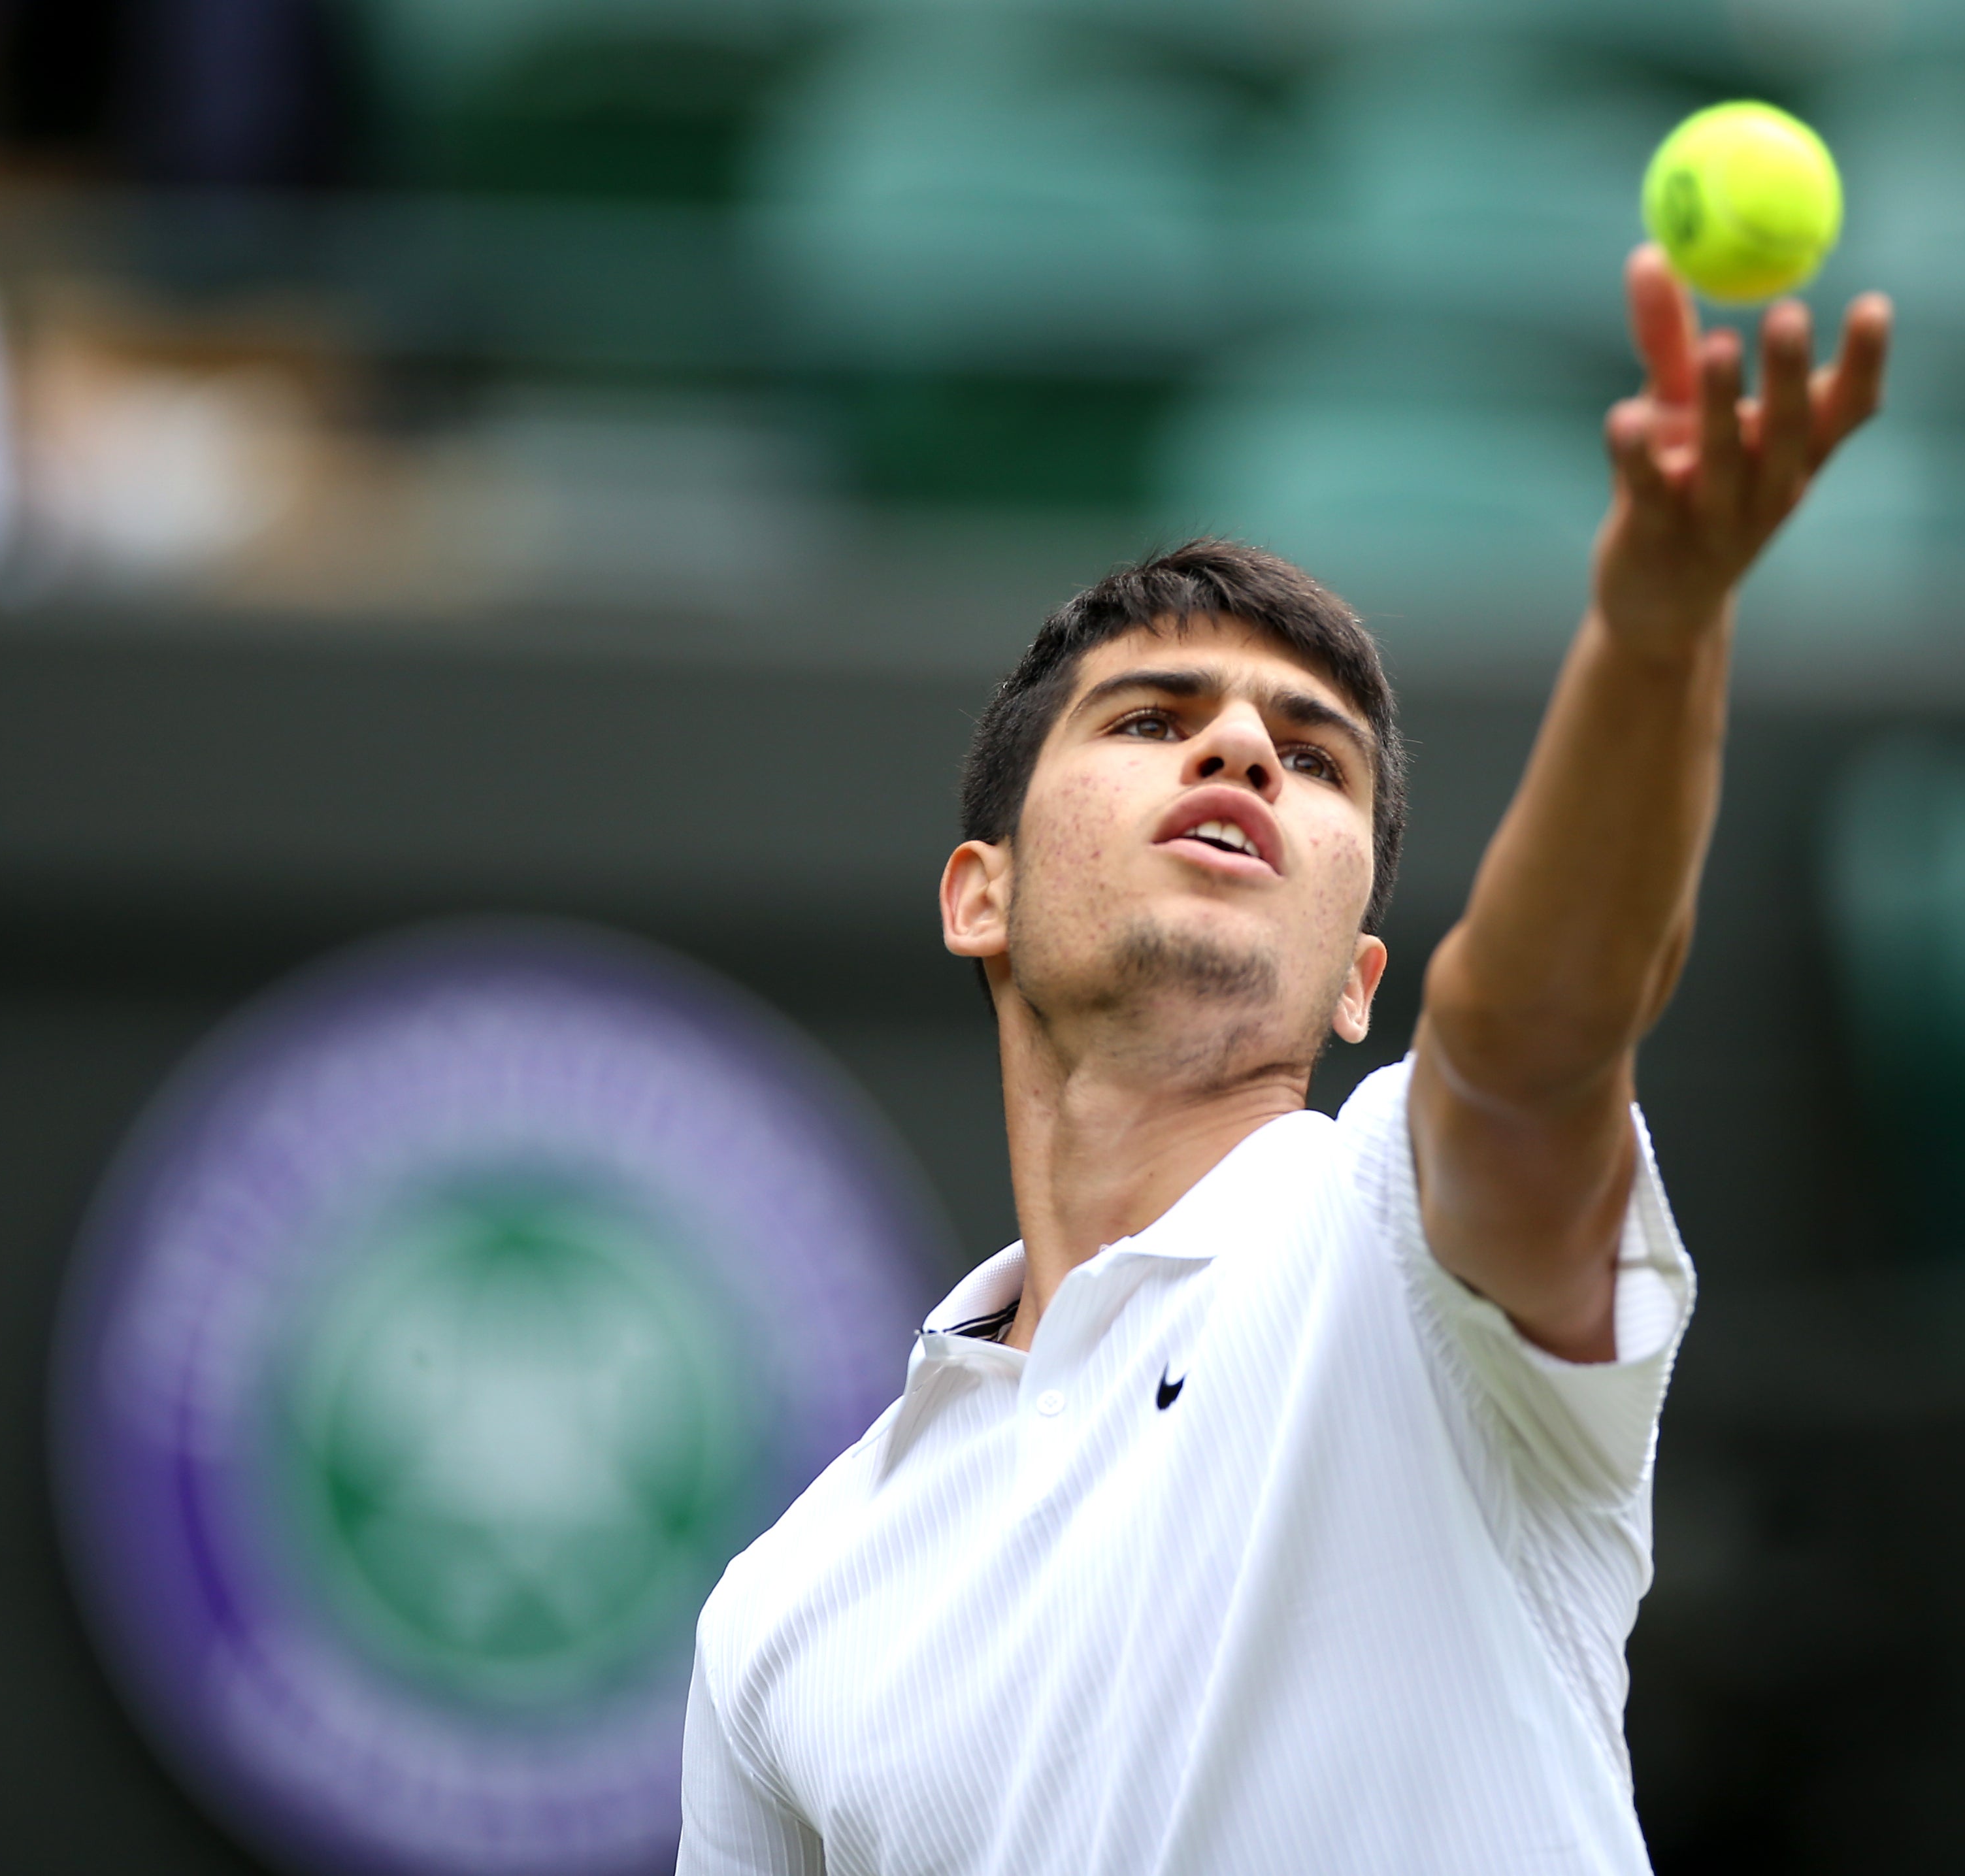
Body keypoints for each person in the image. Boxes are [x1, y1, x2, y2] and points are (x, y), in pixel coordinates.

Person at [678, 246, 1890, 1875]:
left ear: (1358, 984)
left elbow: (1540, 1036)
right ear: (985, 892)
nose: (1240, 744)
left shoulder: (1403, 1244)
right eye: (1147, 716)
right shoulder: (787, 1604)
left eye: (1309, 754)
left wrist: (1654, 637)